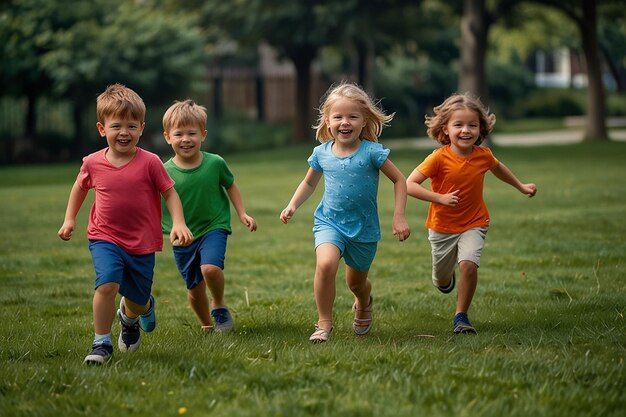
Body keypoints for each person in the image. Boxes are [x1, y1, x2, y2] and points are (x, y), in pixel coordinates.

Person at [58, 84, 193, 365]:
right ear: (101, 128)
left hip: (142, 242)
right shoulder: (93, 163)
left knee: (138, 300)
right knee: (106, 283)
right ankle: (101, 343)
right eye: (116, 126)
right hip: (104, 236)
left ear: (142, 128)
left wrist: (178, 222)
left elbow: (169, 192)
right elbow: (79, 187)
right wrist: (70, 219)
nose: (123, 132)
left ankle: (130, 318)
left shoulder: (150, 162)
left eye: (131, 126)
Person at [280, 82, 410, 343]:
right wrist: (293, 204)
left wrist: (398, 216)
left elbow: (399, 180)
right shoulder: (321, 153)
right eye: (338, 116)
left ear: (364, 121)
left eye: (352, 116)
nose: (344, 122)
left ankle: (363, 301)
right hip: (329, 222)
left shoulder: (372, 152)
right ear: (327, 121)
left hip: (363, 228)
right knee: (326, 264)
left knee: (356, 283)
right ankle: (324, 323)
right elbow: (308, 183)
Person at [406, 92, 537, 334]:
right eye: (458, 125)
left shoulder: (483, 156)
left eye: (472, 125)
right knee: (442, 277)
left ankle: (461, 317)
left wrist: (520, 186)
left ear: (481, 129)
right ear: (445, 129)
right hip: (442, 227)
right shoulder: (438, 159)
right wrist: (440, 198)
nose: (466, 130)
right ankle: (443, 281)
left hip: (475, 222)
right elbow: (409, 185)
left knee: (468, 265)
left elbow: (498, 169)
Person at [161, 99, 257, 333]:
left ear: (203, 134)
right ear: (167, 137)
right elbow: (154, 202)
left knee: (210, 269)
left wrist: (242, 213)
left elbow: (230, 185)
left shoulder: (215, 163)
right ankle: (206, 324)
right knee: (194, 289)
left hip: (214, 225)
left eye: (192, 133)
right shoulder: (163, 171)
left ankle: (219, 305)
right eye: (179, 134)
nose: (186, 139)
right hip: (183, 236)